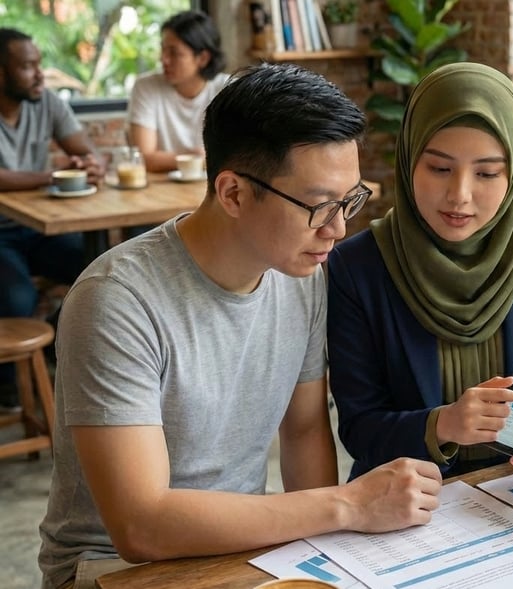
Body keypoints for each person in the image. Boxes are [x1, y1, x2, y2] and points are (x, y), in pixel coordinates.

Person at [38, 63, 442, 589]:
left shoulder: (301, 273)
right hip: (111, 569)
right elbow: (141, 525)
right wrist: (346, 505)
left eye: (350, 201)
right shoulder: (116, 300)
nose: (339, 229)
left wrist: (327, 563)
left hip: (243, 553)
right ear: (232, 193)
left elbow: (302, 432)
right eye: (320, 206)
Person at [327, 62, 513, 480]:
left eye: (486, 173)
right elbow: (360, 430)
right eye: (439, 168)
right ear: (410, 157)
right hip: (408, 495)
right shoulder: (359, 266)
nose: (459, 195)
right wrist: (444, 424)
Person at [0, 27, 104, 411]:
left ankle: (60, 345)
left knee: (98, 267)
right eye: (27, 67)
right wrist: (51, 176)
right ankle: (11, 387)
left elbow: (86, 149)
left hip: (39, 228)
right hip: (2, 235)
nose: (40, 75)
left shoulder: (45, 101)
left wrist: (89, 164)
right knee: (16, 295)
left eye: (38, 64)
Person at [127, 10, 228, 173]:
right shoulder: (146, 87)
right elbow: (144, 158)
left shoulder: (228, 89)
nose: (163, 59)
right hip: (162, 188)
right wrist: (196, 158)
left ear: (203, 58)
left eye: (174, 53)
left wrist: (177, 159)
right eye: (163, 49)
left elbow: (242, 157)